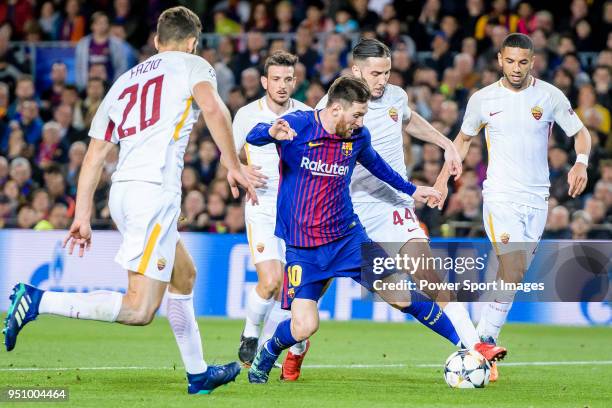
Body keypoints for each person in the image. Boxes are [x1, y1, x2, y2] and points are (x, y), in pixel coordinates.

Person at [3, 6, 256, 395]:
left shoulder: (123, 82)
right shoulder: (193, 65)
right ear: (192, 43)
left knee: (184, 274)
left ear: (156, 41)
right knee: (140, 310)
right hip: (153, 192)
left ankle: (198, 373)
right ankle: (37, 299)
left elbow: (94, 155)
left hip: (123, 191)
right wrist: (233, 161)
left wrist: (82, 214)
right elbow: (212, 107)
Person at [244, 76, 506, 384]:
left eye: (363, 115)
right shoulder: (298, 125)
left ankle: (468, 347)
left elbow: (379, 167)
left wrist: (412, 190)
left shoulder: (357, 137)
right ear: (336, 109)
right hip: (304, 248)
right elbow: (254, 135)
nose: (361, 121)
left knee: (402, 296)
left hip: (347, 239)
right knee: (303, 326)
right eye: (357, 115)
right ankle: (269, 351)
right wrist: (269, 131)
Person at [305, 39, 489, 381]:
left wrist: (445, 143)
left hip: (392, 205)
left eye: (387, 72)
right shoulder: (331, 106)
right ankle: (296, 349)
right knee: (313, 297)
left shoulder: (395, 96)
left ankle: (478, 350)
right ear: (356, 70)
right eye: (376, 73)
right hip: (343, 211)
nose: (382, 80)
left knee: (427, 273)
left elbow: (409, 118)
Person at [430, 33, 591, 382]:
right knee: (514, 263)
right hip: (500, 195)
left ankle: (482, 341)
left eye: (523, 62)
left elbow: (581, 133)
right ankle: (484, 341)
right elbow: (462, 141)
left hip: (537, 200)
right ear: (500, 59)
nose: (516, 68)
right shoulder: (483, 99)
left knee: (513, 276)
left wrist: (581, 161)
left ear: (532, 61)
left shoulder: (549, 96)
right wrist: (443, 180)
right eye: (510, 61)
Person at [232, 51, 310, 372]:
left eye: (287, 79)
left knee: (294, 293)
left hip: (298, 212)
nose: (281, 85)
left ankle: (283, 348)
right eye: (275, 79)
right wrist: (239, 170)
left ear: (295, 81)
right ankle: (250, 333)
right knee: (270, 281)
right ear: (264, 81)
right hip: (262, 206)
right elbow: (228, 155)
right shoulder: (246, 115)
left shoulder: (307, 114)